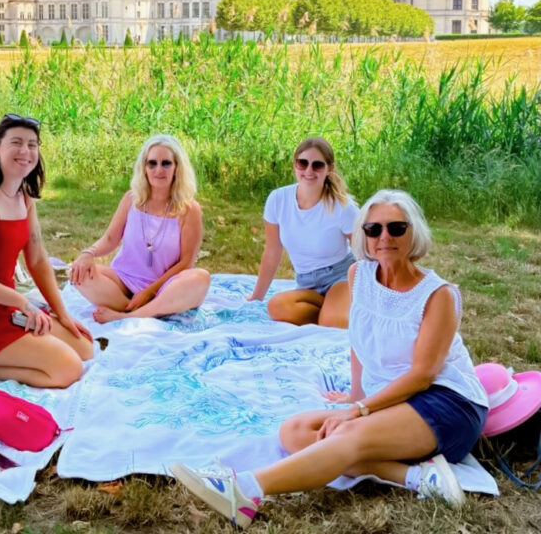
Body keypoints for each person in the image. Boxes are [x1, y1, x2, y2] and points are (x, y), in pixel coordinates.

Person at [171, 190, 489, 527]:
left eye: (396, 228)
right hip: (395, 401)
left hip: (446, 404)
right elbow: (359, 338)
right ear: (363, 236)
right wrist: (356, 394)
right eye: (373, 229)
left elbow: (422, 376)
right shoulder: (360, 276)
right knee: (294, 432)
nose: (384, 238)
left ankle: (245, 490)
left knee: (343, 436)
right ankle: (418, 478)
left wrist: (359, 410)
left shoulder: (438, 295)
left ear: (415, 233)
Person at [0, 113, 93, 387]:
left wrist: (63, 314)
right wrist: (24, 303)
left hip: (8, 310)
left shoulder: (25, 198)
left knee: (85, 348)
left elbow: (37, 261)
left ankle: (6, 353)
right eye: (17, 143)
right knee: (68, 369)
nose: (25, 151)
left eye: (32, 144)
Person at [70, 134, 210, 323]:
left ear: (177, 168)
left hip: (164, 287)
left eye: (166, 163)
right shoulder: (131, 199)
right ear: (144, 168)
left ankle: (126, 315)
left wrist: (149, 292)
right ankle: (152, 311)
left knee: (201, 278)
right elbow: (110, 239)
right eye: (152, 163)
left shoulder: (189, 209)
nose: (158, 170)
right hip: (124, 281)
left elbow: (186, 262)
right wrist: (88, 253)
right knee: (79, 273)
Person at [247, 137, 358, 328]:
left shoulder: (342, 206)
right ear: (294, 165)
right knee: (277, 306)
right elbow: (272, 252)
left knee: (332, 322)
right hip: (306, 283)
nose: (308, 171)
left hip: (339, 277)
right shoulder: (277, 200)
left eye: (317, 165)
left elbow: (366, 254)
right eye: (303, 163)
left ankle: (336, 310)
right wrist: (257, 297)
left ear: (329, 168)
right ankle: (332, 310)